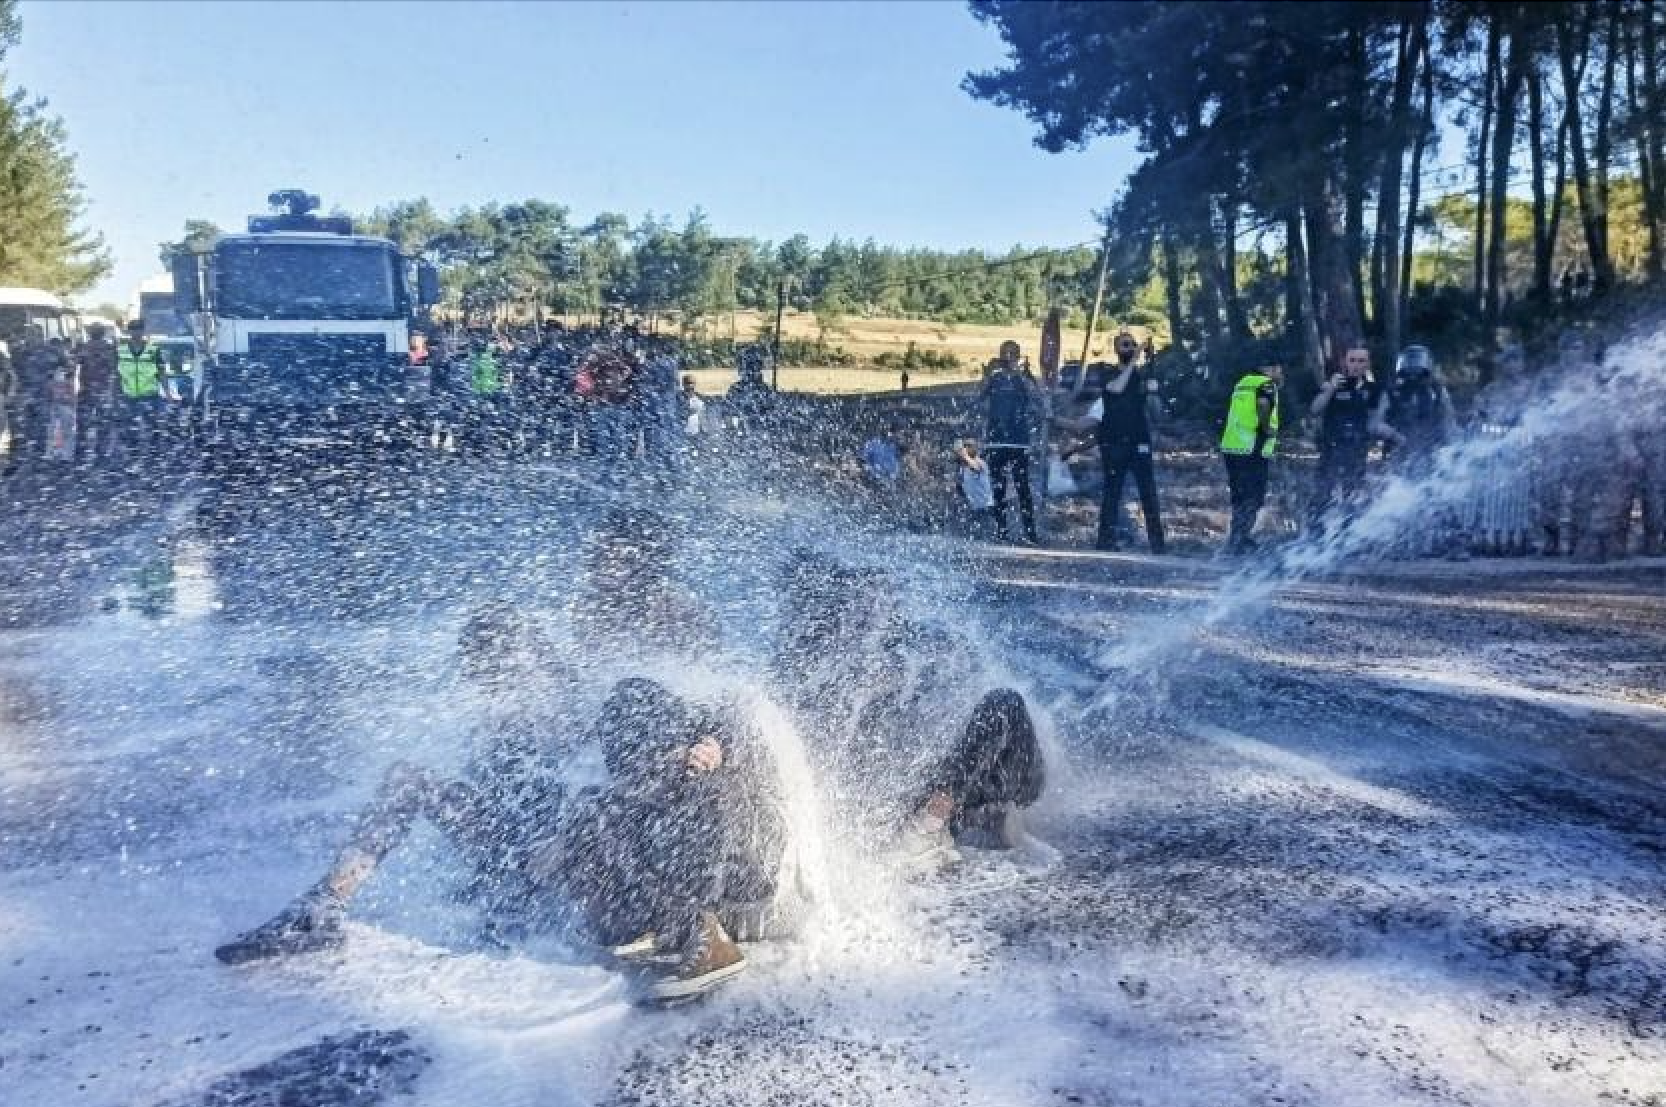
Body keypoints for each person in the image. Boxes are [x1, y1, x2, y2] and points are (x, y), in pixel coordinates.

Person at [214, 609, 577, 965]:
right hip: (504, 851)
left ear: (510, 655)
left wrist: (561, 847)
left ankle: (322, 909)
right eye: (469, 659)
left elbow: (586, 785)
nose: (470, 672)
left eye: (478, 659)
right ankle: (323, 905)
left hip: (538, 859)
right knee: (406, 778)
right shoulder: (502, 711)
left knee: (407, 780)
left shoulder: (548, 710)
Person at [525, 678, 799, 1003]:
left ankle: (703, 939)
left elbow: (744, 719)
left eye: (641, 760)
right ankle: (648, 924)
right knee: (595, 816)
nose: (638, 773)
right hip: (711, 885)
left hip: (753, 889)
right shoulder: (644, 781)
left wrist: (719, 747)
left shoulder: (703, 764)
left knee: (618, 812)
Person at [1055, 331, 1165, 553]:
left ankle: (1158, 544)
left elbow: (1155, 410)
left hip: (1139, 440)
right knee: (1112, 494)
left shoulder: (1142, 375)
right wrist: (1135, 362)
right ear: (1116, 349)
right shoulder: (1108, 373)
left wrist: (1153, 389)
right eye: (1126, 345)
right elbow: (1116, 389)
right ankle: (1105, 541)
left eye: (1133, 344)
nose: (1131, 347)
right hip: (1113, 443)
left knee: (1148, 493)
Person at [1380, 345, 1463, 557]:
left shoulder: (1437, 391)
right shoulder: (1392, 392)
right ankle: (1399, 544)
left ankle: (1453, 543)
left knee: (1442, 496)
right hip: (1400, 454)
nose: (1413, 370)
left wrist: (1451, 447)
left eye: (1418, 363)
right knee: (1398, 499)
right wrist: (1394, 436)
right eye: (1410, 364)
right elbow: (1376, 423)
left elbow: (1449, 420)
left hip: (1431, 451)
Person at [1307, 344, 1387, 534]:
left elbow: (1376, 418)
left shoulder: (1374, 389)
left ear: (1368, 364)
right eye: (1352, 360)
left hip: (1356, 448)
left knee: (1352, 491)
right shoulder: (1333, 385)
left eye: (1361, 361)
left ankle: (1348, 532)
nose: (1356, 365)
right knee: (1323, 491)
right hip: (1331, 447)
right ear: (1345, 363)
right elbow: (1315, 409)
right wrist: (1330, 389)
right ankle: (1315, 532)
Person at [1219, 357, 1283, 555]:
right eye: (1279, 369)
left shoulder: (1243, 382)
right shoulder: (1265, 384)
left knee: (1239, 495)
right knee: (1253, 497)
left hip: (1233, 447)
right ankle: (1240, 540)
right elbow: (1263, 405)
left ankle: (1237, 538)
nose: (1281, 374)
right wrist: (1267, 429)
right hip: (1252, 447)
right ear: (1270, 368)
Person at [981, 340, 1040, 544]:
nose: (1008, 357)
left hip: (1019, 441)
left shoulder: (1023, 377)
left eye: (1012, 353)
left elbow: (1035, 396)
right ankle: (1001, 531)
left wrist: (1022, 373)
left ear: (1018, 355)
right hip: (995, 440)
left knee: (1022, 487)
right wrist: (988, 372)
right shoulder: (994, 378)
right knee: (998, 488)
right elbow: (979, 396)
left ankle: (1030, 534)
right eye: (1004, 353)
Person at [115, 320, 167, 465]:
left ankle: (154, 455)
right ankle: (133, 456)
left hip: (150, 395)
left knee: (153, 427)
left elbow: (162, 372)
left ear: (143, 331)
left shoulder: (153, 350)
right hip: (129, 396)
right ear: (129, 332)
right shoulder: (120, 350)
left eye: (138, 330)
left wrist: (167, 393)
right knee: (130, 429)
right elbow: (116, 374)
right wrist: (114, 394)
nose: (136, 333)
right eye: (133, 330)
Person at [76, 323, 118, 463]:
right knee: (102, 424)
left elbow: (73, 365)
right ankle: (100, 454)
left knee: (83, 423)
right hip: (102, 391)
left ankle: (80, 454)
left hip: (87, 390)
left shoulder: (83, 347)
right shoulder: (109, 348)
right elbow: (114, 370)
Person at [679, 374, 706, 438]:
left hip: (695, 434)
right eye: (687, 383)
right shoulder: (677, 398)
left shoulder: (699, 400)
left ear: (695, 384)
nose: (690, 385)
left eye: (692, 383)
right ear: (683, 384)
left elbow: (702, 417)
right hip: (682, 434)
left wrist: (703, 431)